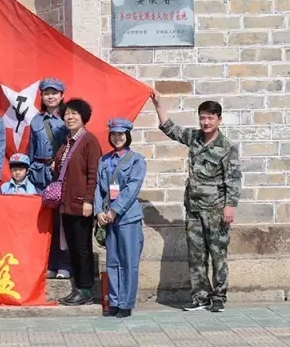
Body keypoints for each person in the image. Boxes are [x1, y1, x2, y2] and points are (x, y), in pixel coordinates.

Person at [151, 90, 242, 313]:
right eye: (202, 117)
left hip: (216, 210)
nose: (205, 122)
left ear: (219, 119)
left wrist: (230, 205)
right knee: (196, 254)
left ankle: (219, 296)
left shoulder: (226, 147)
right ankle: (200, 296)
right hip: (194, 208)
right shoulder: (194, 138)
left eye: (210, 118)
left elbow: (233, 178)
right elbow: (170, 129)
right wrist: (158, 104)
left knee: (218, 254)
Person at [95, 118, 146, 318]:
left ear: (128, 136)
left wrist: (115, 210)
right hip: (108, 218)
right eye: (114, 134)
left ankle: (126, 302)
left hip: (128, 217)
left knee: (129, 261)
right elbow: (98, 188)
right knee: (112, 261)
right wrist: (99, 211)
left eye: (121, 134)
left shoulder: (136, 160)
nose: (117, 138)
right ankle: (114, 301)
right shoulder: (104, 160)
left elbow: (132, 188)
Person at [53, 98, 102, 306]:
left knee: (82, 247)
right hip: (66, 203)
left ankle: (86, 289)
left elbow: (93, 174)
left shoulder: (89, 141)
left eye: (75, 114)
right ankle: (78, 288)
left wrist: (89, 201)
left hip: (82, 203)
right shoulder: (66, 141)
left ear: (83, 118)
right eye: (67, 114)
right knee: (72, 246)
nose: (70, 117)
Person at [28, 77, 70, 279]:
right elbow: (31, 149)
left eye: (54, 93)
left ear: (62, 95)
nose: (50, 96)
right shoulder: (36, 120)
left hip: (59, 175)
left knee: (61, 221)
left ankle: (64, 263)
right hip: (39, 174)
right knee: (45, 222)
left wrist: (60, 163)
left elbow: (73, 147)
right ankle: (48, 263)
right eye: (46, 93)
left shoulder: (68, 118)